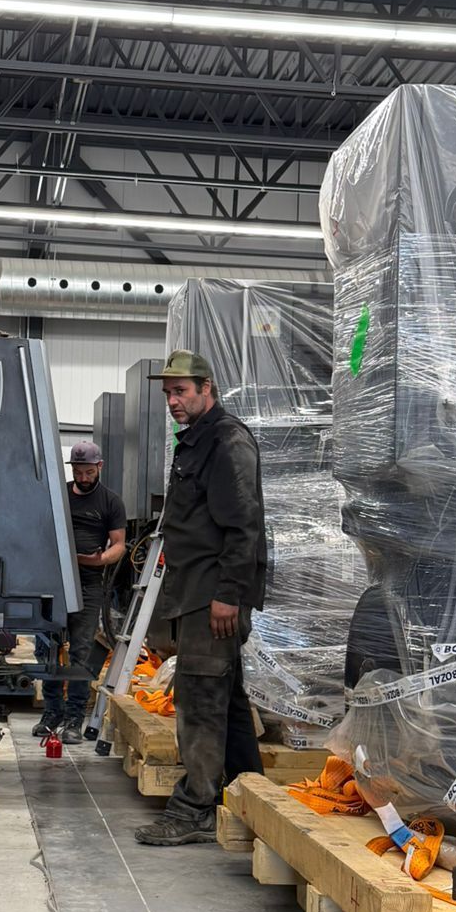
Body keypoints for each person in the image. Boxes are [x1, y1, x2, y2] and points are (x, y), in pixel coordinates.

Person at [135, 350, 267, 847]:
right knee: (224, 696)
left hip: (213, 594)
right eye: (168, 393)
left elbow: (243, 526)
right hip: (195, 589)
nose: (173, 400)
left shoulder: (226, 441)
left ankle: (194, 809)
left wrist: (228, 595)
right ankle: (248, 794)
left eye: (181, 391)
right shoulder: (196, 440)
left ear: (206, 388)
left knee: (200, 701)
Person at [35, 438, 127, 744]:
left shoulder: (110, 502)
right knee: (47, 648)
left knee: (81, 652)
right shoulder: (59, 494)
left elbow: (119, 545)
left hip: (88, 583)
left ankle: (74, 718)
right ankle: (51, 713)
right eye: (78, 472)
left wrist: (100, 559)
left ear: (99, 466)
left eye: (88, 472)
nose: (83, 478)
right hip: (53, 582)